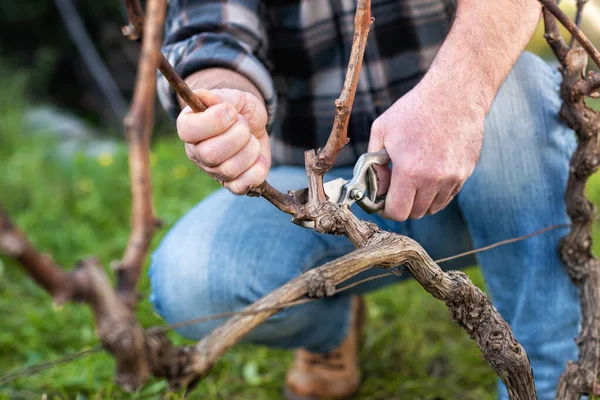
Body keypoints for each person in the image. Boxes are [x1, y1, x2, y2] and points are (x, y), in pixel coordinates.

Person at [149, 0, 580, 399]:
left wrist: (460, 93)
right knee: (189, 278)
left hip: (477, 158)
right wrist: (223, 100)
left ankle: (546, 375)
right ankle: (330, 324)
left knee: (516, 94)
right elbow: (210, 29)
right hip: (321, 193)